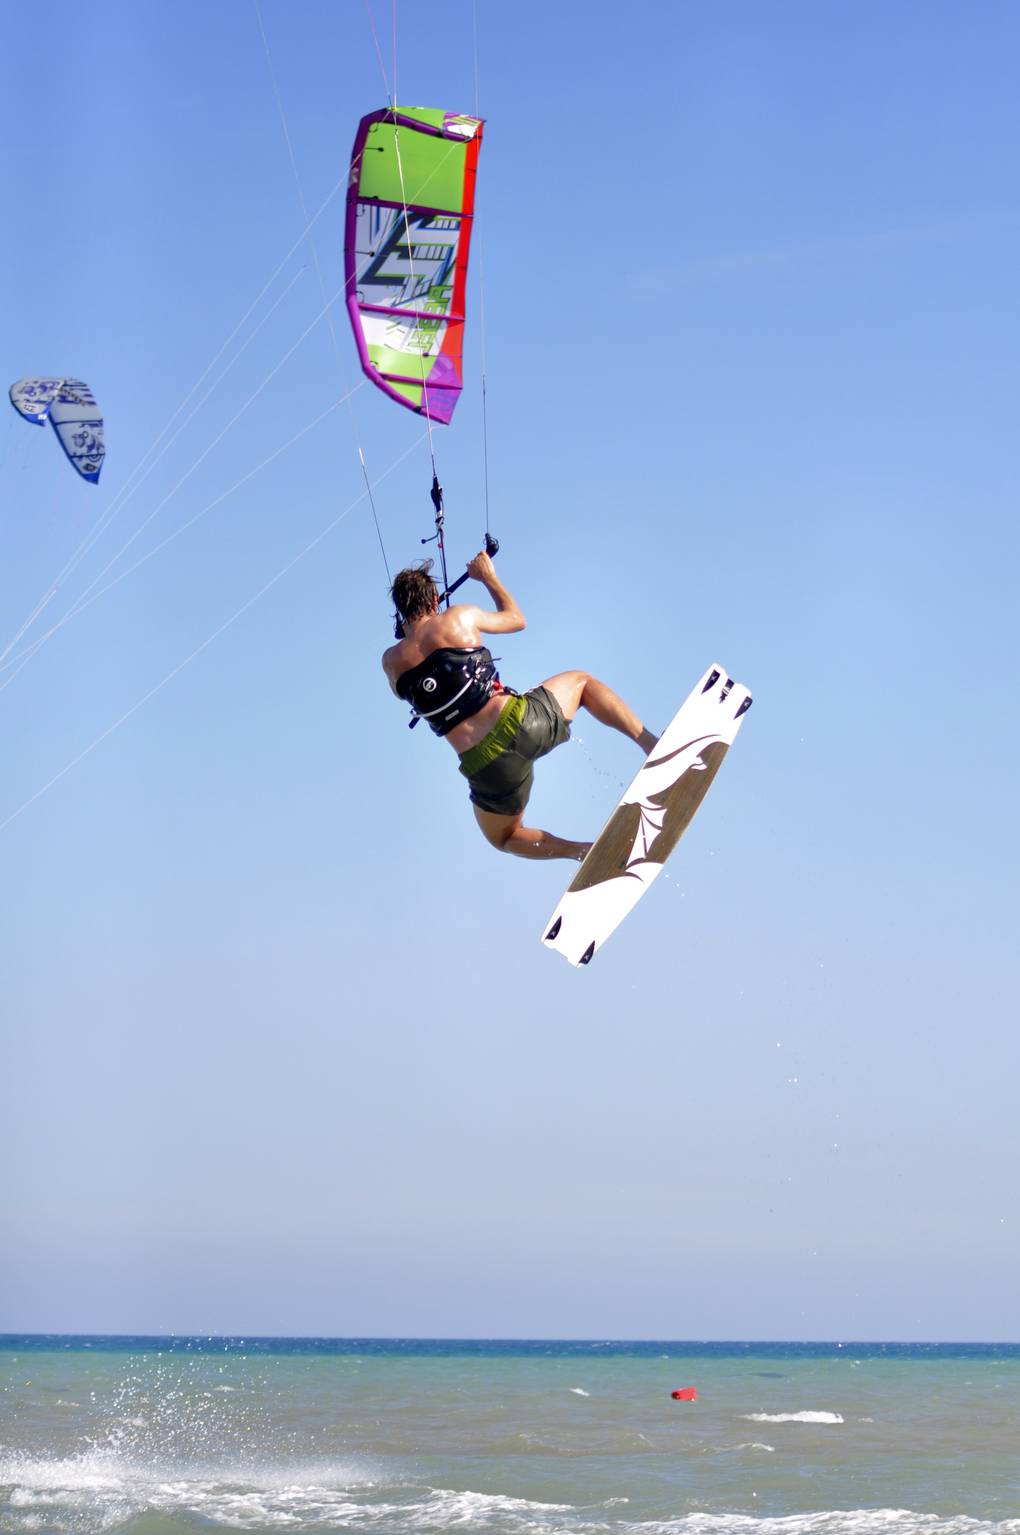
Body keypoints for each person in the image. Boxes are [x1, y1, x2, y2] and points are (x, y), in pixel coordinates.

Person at [381, 551, 657, 862]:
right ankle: (651, 745)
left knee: (504, 837)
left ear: (401, 611)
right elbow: (516, 618)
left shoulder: (391, 663)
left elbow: (410, 684)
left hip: (488, 771)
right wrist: (488, 577)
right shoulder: (459, 616)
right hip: (522, 723)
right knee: (582, 683)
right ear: (434, 599)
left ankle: (585, 852)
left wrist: (410, 634)